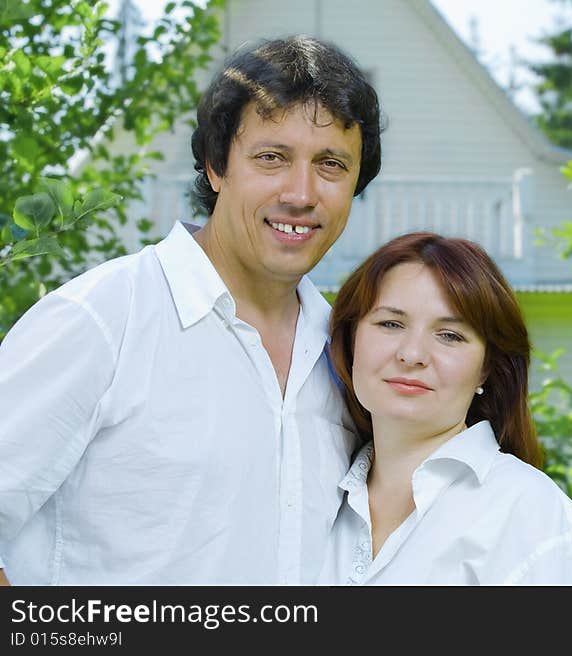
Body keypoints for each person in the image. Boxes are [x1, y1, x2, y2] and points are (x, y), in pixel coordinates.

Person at [0, 35, 382, 585]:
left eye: (331, 164)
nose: (301, 193)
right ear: (215, 166)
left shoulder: (349, 354)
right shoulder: (103, 321)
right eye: (271, 158)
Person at [318, 232, 572, 585]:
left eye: (449, 335)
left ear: (487, 368)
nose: (412, 355)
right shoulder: (317, 499)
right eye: (390, 324)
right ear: (351, 340)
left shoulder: (529, 513)